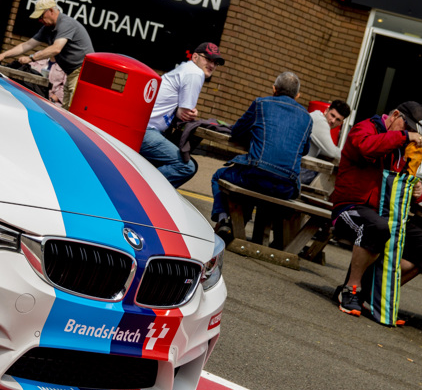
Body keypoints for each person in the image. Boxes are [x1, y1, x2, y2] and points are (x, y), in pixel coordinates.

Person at [330, 101, 422, 316]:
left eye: (411, 132)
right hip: (350, 207)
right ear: (395, 115)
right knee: (376, 226)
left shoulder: (400, 146)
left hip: (383, 214)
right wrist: (404, 137)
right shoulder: (364, 128)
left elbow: (400, 188)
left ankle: (376, 293)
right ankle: (351, 289)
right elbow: (366, 148)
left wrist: (416, 191)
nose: (408, 134)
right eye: (406, 128)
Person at [211, 71, 313, 243]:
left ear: (274, 89)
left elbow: (237, 131)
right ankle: (245, 228)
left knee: (219, 176)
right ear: (298, 95)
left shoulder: (261, 104)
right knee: (258, 184)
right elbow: (305, 150)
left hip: (256, 177)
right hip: (287, 187)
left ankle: (223, 221)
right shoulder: (307, 118)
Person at [141, 42, 225, 188]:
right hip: (146, 131)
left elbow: (184, 111)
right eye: (208, 59)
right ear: (195, 57)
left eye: (216, 62)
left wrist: (183, 111)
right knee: (186, 167)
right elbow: (186, 114)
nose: (212, 65)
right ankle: (139, 189)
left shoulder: (185, 68)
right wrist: (186, 111)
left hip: (144, 127)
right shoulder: (195, 73)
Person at [0, 0, 94, 107]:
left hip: (83, 72)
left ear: (51, 10)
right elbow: (27, 45)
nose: (40, 20)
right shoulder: (47, 28)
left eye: (41, 16)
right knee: (67, 108)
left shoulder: (65, 24)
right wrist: (2, 55)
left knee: (73, 108)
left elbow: (56, 48)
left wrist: (31, 58)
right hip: (72, 73)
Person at [299, 99, 350, 185]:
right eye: (332, 115)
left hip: (296, 166)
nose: (333, 121)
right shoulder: (320, 121)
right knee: (331, 175)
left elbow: (325, 150)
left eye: (338, 119)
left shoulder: (316, 117)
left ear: (341, 122)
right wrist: (351, 155)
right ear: (326, 110)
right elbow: (332, 152)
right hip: (295, 169)